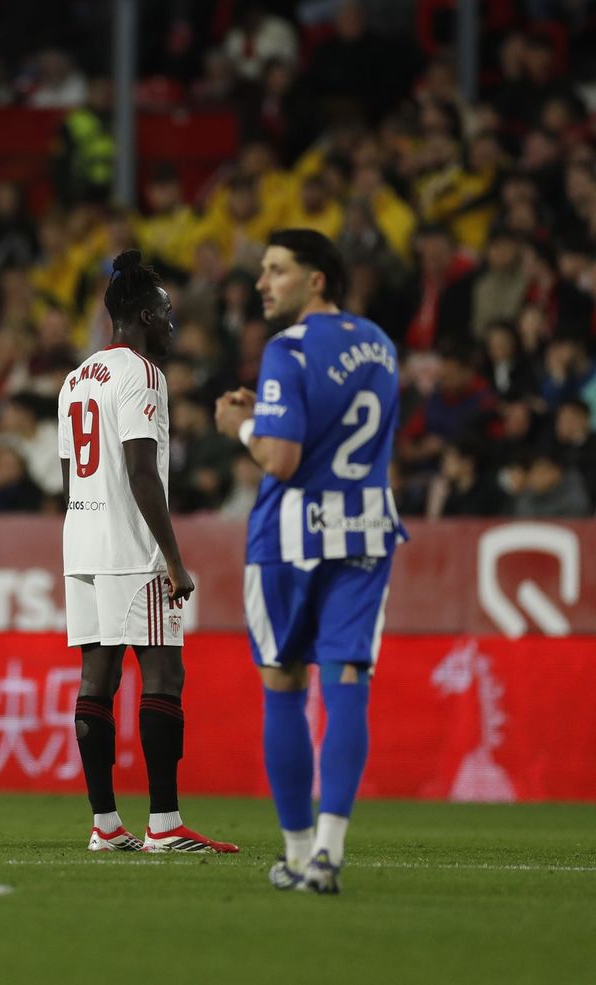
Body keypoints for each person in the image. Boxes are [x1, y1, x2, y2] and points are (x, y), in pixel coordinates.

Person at [215, 228, 407, 895]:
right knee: (349, 677)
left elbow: (283, 459)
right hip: (365, 530)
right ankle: (328, 850)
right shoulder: (381, 344)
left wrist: (240, 427)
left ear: (316, 279)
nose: (263, 283)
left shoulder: (287, 348)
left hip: (289, 539)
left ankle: (296, 855)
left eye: (276, 270)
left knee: (285, 685)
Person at [59, 250, 237, 855]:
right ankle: (165, 823)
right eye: (164, 312)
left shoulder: (76, 377)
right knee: (164, 672)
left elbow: (68, 474)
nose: (171, 324)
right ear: (138, 315)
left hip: (81, 542)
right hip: (131, 547)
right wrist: (173, 557)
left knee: (97, 678)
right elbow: (141, 471)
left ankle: (105, 825)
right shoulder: (142, 374)